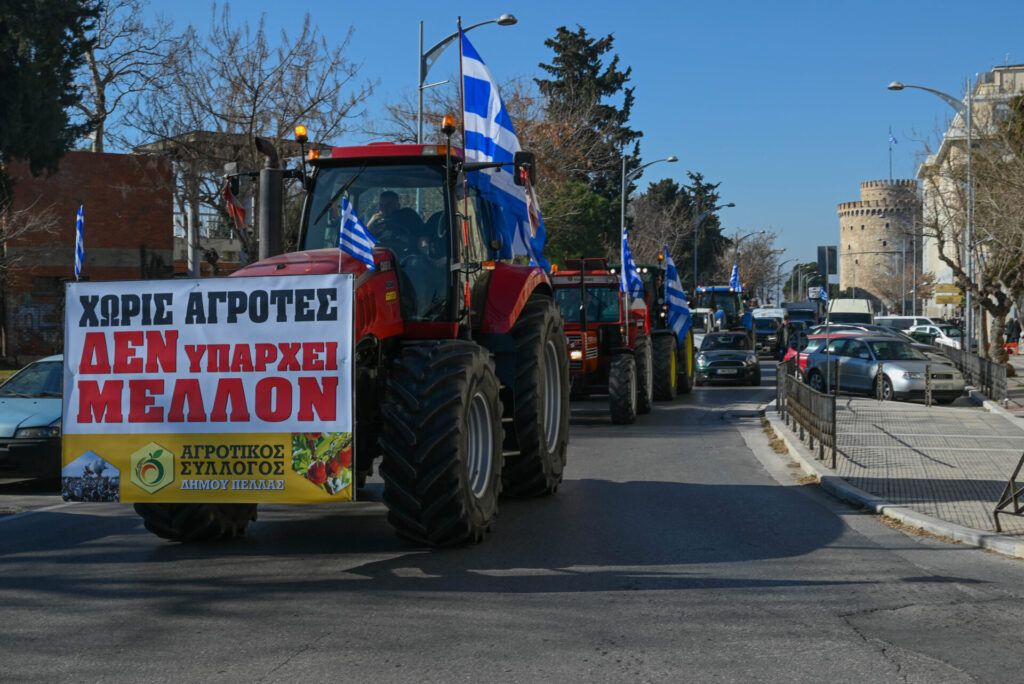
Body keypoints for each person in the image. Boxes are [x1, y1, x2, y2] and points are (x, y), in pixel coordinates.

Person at [367, 190, 424, 255]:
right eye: (381, 205)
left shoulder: (407, 215)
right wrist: (370, 226)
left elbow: (422, 234)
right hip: (380, 257)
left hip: (406, 257)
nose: (384, 208)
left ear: (398, 205)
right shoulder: (375, 222)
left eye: (389, 205)